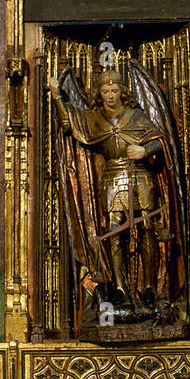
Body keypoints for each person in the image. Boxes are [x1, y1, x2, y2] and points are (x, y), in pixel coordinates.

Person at [48, 65, 172, 306]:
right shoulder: (94, 118)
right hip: (113, 175)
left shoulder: (135, 115)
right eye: (106, 90)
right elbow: (68, 123)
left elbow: (160, 140)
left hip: (140, 174)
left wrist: (144, 149)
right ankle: (119, 286)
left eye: (115, 90)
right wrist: (56, 95)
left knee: (147, 225)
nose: (111, 95)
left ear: (122, 92)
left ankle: (147, 285)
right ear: (99, 93)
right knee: (114, 229)